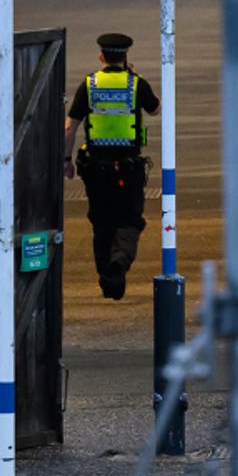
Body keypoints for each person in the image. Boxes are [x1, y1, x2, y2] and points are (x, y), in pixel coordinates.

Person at [63, 32, 160, 300]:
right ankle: (119, 263)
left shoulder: (88, 85)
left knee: (101, 222)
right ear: (126, 57)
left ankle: (108, 275)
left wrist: (65, 161)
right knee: (129, 220)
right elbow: (155, 109)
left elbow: (70, 127)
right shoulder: (137, 84)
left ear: (101, 56)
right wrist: (133, 77)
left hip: (95, 169)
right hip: (128, 169)